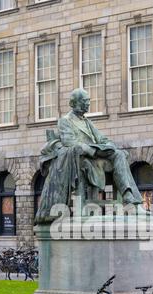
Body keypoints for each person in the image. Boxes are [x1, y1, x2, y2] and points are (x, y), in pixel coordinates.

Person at [35, 88, 144, 223]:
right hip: (83, 158)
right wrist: (92, 149)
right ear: (75, 103)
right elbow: (70, 142)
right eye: (85, 101)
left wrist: (109, 145)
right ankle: (127, 198)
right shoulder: (65, 121)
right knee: (105, 155)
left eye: (88, 101)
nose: (88, 104)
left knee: (120, 154)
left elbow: (102, 139)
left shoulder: (87, 122)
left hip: (97, 155)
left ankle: (129, 196)